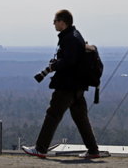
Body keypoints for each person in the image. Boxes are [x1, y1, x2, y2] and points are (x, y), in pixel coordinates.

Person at [21, 9, 99, 159]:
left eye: (55, 21)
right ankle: (93, 150)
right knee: (81, 118)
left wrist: (54, 66)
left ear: (62, 22)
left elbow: (70, 61)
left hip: (67, 86)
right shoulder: (76, 36)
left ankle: (40, 148)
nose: (53, 24)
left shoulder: (69, 38)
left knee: (52, 115)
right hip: (78, 86)